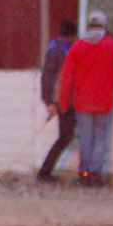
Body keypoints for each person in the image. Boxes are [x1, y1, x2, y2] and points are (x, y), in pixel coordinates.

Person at [55, 10, 113, 188]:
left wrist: (63, 102)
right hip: (104, 101)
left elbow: (67, 76)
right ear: (104, 26)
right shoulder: (112, 45)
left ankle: (84, 174)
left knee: (85, 139)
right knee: (100, 139)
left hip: (83, 102)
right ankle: (95, 175)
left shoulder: (78, 46)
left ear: (88, 26)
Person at [35, 19, 79, 183]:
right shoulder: (60, 51)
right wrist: (49, 102)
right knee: (65, 136)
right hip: (62, 99)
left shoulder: (56, 49)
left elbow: (47, 77)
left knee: (65, 136)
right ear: (72, 35)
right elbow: (48, 77)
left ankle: (45, 172)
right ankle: (44, 172)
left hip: (62, 98)